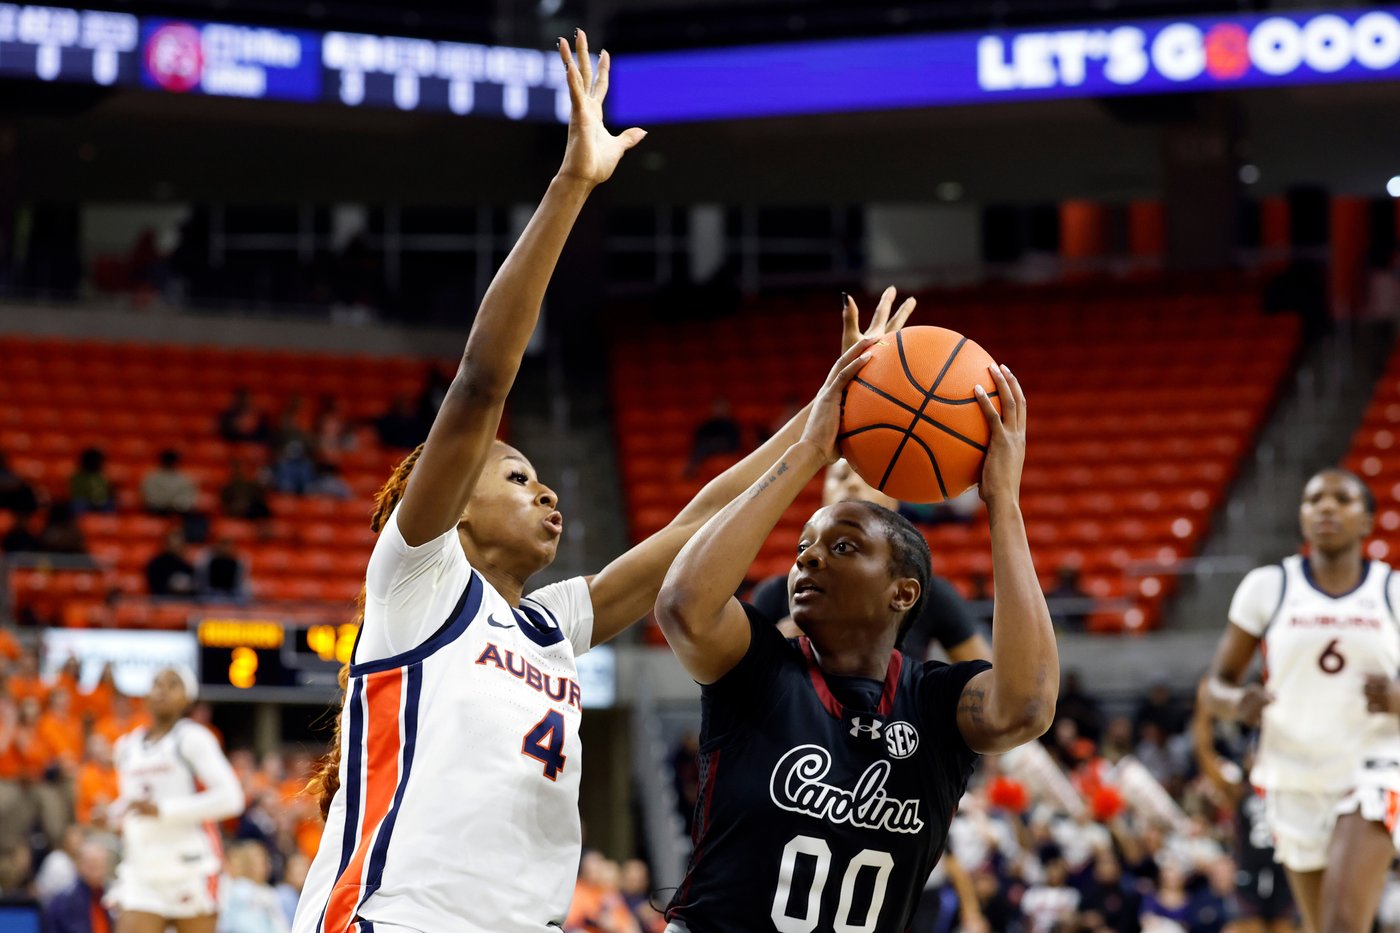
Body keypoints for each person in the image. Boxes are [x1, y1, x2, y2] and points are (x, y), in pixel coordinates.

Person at [291, 34, 867, 933]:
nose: (548, 494)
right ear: (452, 507)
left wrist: (812, 431)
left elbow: (695, 525)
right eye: (518, 476)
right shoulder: (419, 580)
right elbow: (483, 379)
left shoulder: (551, 625)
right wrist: (573, 187)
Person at [655, 340, 1057, 932]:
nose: (809, 561)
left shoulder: (934, 702)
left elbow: (1027, 704)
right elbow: (682, 605)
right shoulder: (760, 670)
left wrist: (1004, 504)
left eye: (841, 548)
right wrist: (811, 448)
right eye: (802, 550)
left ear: (903, 593)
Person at [1204, 467, 1400, 933]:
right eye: (1314, 500)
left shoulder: (1392, 590)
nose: (1326, 508)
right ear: (1302, 516)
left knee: (1341, 924)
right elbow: (1216, 684)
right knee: (1320, 926)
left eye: (1342, 499)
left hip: (1373, 766)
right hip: (1292, 774)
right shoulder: (1268, 587)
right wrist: (1236, 704)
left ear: (1368, 521)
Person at [108, 666, 244, 933]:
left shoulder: (193, 738)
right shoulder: (126, 747)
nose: (162, 690)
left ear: (187, 698)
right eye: (157, 683)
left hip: (190, 868)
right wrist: (111, 814)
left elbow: (232, 799)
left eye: (173, 684)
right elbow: (133, 801)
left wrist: (164, 810)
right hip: (141, 870)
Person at [39, 835, 113, 933]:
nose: (97, 870)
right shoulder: (62, 902)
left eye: (101, 864)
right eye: (91, 864)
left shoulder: (111, 896)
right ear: (78, 865)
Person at [682, 398, 742, 478]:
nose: (720, 410)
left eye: (722, 407)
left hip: (727, 450)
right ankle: (692, 469)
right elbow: (699, 440)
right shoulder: (706, 425)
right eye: (718, 407)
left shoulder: (733, 425)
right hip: (708, 451)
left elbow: (736, 443)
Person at [141, 450, 198, 516]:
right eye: (168, 461)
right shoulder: (152, 477)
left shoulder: (185, 478)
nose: (170, 463)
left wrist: (177, 504)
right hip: (158, 510)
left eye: (172, 461)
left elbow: (189, 495)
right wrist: (165, 504)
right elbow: (149, 497)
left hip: (179, 510)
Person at [145, 529, 197, 597]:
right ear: (166, 544)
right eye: (174, 542)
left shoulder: (186, 565)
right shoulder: (157, 564)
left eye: (180, 542)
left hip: (184, 602)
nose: (176, 546)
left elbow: (194, 587)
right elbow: (155, 587)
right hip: (163, 602)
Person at [69, 449, 114, 513]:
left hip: (101, 503)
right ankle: (80, 521)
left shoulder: (102, 477)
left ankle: (108, 521)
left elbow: (107, 493)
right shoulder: (77, 477)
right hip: (84, 503)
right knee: (78, 503)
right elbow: (77, 494)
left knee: (109, 504)